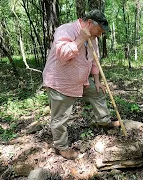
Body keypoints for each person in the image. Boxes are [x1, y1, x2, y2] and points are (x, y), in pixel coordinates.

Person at [43, 9, 117, 160]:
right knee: (60, 117)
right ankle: (61, 148)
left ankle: (103, 121)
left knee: (98, 92)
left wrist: (97, 81)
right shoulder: (66, 30)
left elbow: (94, 61)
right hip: (61, 82)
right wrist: (81, 39)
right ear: (90, 23)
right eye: (100, 30)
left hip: (81, 81)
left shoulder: (94, 39)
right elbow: (62, 54)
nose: (100, 34)